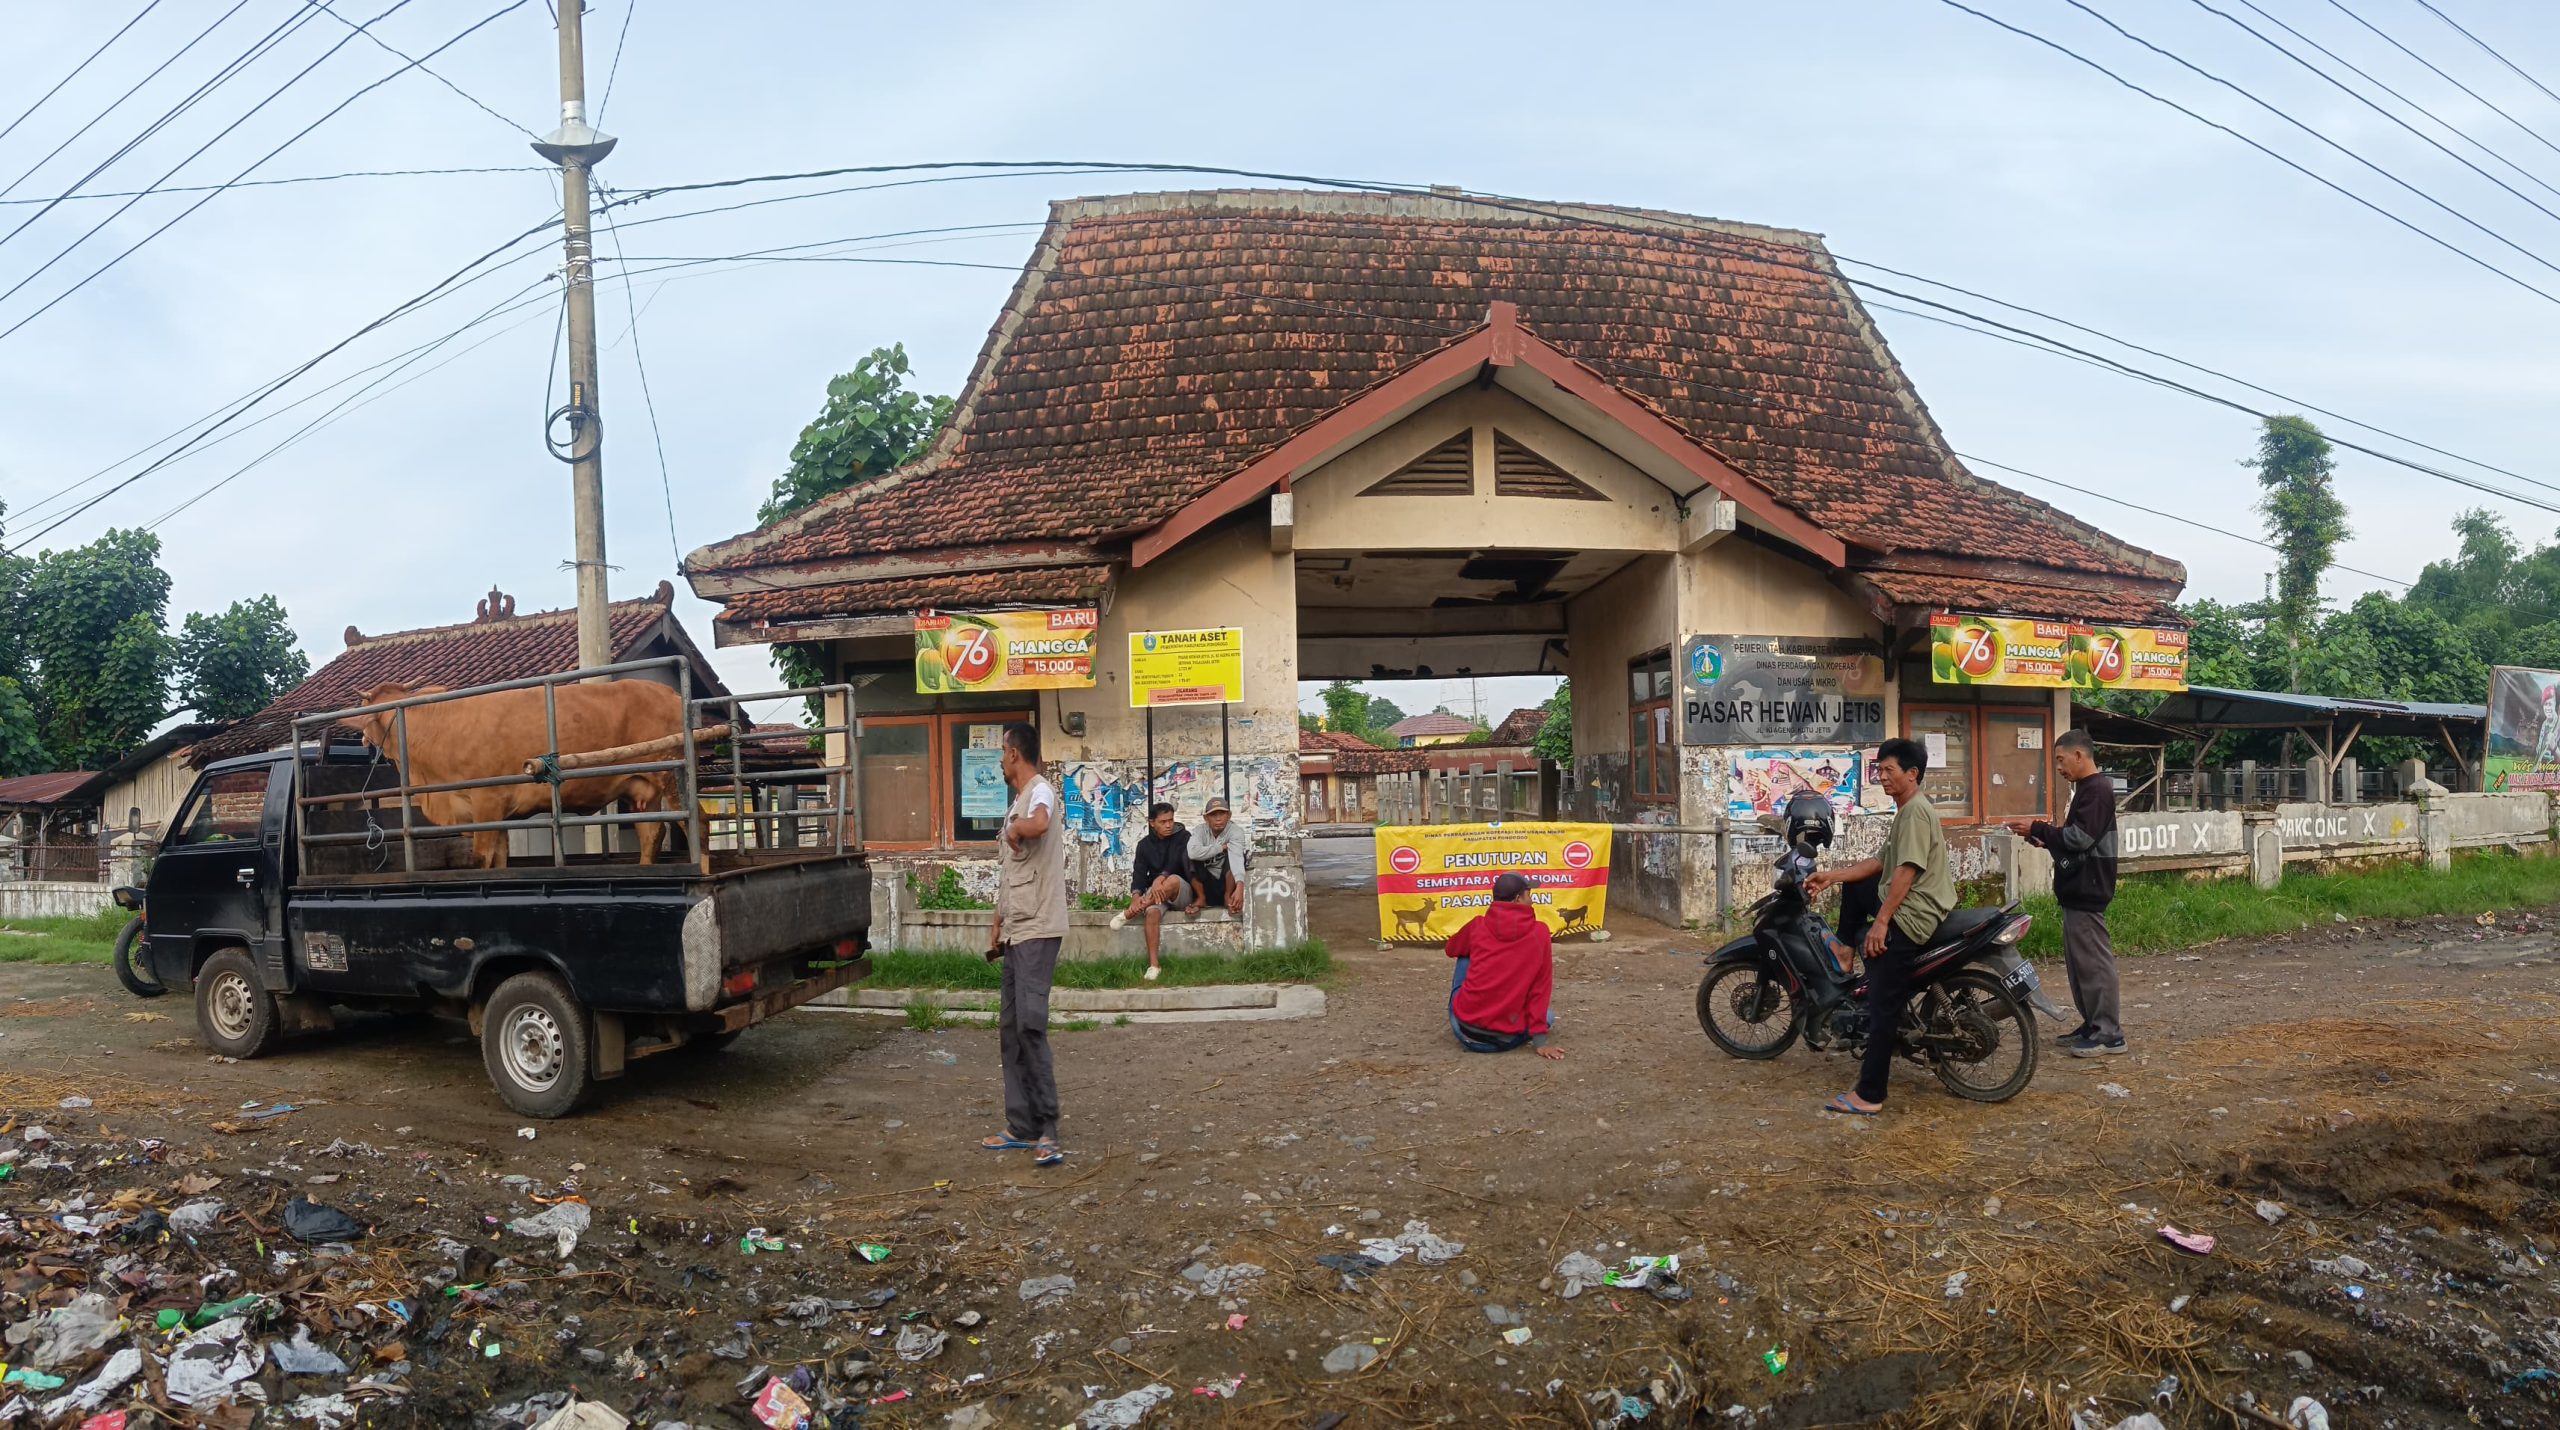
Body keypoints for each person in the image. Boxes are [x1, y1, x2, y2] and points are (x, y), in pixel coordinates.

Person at [1806, 736, 1954, 1115]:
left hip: (1914, 914)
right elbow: (1878, 863)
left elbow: (1907, 870)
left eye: (1889, 770)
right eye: (1879, 770)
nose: (1882, 777)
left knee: (1882, 1002)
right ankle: (1844, 951)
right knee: (1857, 887)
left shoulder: (1916, 812)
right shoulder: (1905, 811)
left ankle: (1870, 1095)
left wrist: (1882, 922)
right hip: (1910, 903)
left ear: (1912, 773)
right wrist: (1832, 877)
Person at [983, 722, 1068, 1166]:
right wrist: (997, 923)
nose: (1000, 759)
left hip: (1039, 927)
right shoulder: (1017, 801)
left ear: (1014, 753)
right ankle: (1021, 1125)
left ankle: (1048, 1128)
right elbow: (1009, 872)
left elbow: (1038, 823)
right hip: (1017, 928)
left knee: (1031, 1027)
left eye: (1002, 751)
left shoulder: (1040, 791)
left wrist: (1018, 827)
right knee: (1010, 1029)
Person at [2027, 729, 2124, 1057]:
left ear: (2079, 755)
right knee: (2080, 964)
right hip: (2078, 889)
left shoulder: (2097, 789)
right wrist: (2043, 837)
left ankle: (2109, 1033)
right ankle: (2093, 1024)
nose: (2058, 767)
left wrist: (2040, 829)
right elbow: (2074, 839)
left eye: (2060, 759)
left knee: (2094, 962)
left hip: (2088, 888)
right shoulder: (2087, 789)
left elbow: (2080, 839)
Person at [1443, 872, 1563, 1059]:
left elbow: (1451, 948)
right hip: (1506, 1038)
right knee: (1549, 1016)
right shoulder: (1540, 933)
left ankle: (1477, 1007)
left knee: (1465, 954)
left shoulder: (1477, 925)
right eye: (1528, 894)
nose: (1531, 899)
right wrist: (1540, 1042)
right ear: (1517, 899)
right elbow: (1540, 988)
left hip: (1464, 1030)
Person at [1108, 802, 1193, 981]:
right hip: (1156, 897)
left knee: (1172, 880)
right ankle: (1154, 966)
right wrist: (1136, 897)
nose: (1169, 825)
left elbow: (1175, 862)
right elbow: (1139, 873)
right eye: (1163, 822)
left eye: (1171, 820)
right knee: (1152, 913)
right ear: (1152, 822)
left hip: (1181, 891)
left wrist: (1159, 878)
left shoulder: (1183, 836)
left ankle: (1128, 914)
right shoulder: (1144, 845)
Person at [1187, 797, 1249, 918]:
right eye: (1213, 815)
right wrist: (1221, 847)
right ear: (1206, 818)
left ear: (1229, 815)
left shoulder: (1235, 831)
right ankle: (1201, 898)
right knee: (1187, 855)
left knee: (1236, 854)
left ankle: (1228, 897)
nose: (1218, 818)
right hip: (1206, 882)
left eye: (1222, 814)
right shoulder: (1200, 830)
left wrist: (1240, 885)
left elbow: (1237, 858)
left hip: (1226, 881)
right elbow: (1193, 853)